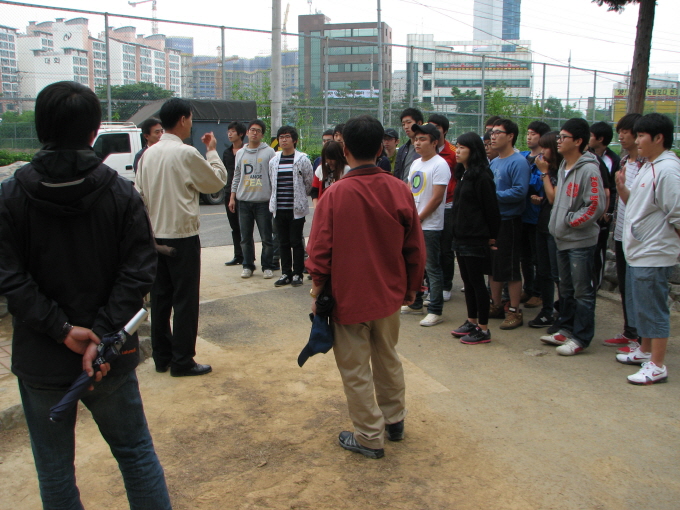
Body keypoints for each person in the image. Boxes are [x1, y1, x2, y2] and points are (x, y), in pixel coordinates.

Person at [0, 81, 171, 508]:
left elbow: (10, 278)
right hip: (108, 356)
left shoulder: (11, 196)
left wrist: (60, 328)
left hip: (41, 358)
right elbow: (139, 271)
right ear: (95, 131)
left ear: (40, 128)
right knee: (135, 454)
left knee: (55, 470)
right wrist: (102, 332)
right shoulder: (120, 193)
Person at [306, 115, 426, 459]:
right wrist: (412, 287)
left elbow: (319, 252)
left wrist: (318, 291)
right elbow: (415, 247)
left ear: (344, 149)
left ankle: (370, 437)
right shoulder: (399, 189)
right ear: (379, 149)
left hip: (348, 298)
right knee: (388, 357)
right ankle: (394, 420)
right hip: (388, 295)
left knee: (355, 368)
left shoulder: (335, 194)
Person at [136, 97, 227, 376]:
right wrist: (212, 151)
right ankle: (182, 360)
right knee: (185, 300)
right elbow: (216, 181)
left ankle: (162, 357)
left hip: (155, 237)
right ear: (184, 119)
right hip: (182, 236)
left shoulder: (148, 154)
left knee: (160, 299)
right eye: (190, 119)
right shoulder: (186, 153)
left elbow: (139, 195)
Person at [615, 113, 680, 384]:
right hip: (640, 251)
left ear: (658, 138)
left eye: (641, 135)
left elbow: (677, 212)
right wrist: (622, 189)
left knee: (653, 309)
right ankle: (644, 350)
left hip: (654, 253)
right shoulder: (649, 166)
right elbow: (639, 205)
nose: (637, 140)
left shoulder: (668, 170)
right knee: (642, 306)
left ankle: (657, 364)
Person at [539, 118, 605, 356]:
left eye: (563, 137)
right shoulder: (564, 167)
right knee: (566, 288)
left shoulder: (589, 169)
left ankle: (581, 337)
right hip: (562, 239)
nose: (559, 141)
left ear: (578, 141)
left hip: (580, 241)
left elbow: (595, 205)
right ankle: (565, 329)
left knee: (582, 291)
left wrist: (569, 221)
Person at [449, 132, 501, 344]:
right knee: (468, 282)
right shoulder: (463, 174)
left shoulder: (482, 176)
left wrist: (492, 237)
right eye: (457, 146)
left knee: (477, 282)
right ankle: (471, 321)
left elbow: (491, 209)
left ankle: (484, 328)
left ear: (474, 151)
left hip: (475, 238)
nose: (458, 151)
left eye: (462, 147)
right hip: (460, 237)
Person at [400, 123, 450, 327]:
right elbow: (409, 190)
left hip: (430, 225)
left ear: (434, 142)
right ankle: (415, 303)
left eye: (422, 139)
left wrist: (420, 217)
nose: (417, 143)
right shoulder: (416, 163)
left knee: (432, 267)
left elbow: (437, 198)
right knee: (414, 264)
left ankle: (436, 310)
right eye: (416, 139)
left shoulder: (440, 164)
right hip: (414, 222)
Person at [603, 113, 644, 350]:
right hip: (621, 233)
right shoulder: (625, 161)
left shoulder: (648, 165)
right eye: (619, 131)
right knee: (625, 284)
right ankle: (630, 331)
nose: (621, 136)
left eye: (625, 132)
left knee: (639, 288)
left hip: (639, 236)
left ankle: (641, 339)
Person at [488, 118, 531, 330]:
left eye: (498, 133)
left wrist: (491, 196)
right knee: (493, 266)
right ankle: (496, 305)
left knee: (511, 268)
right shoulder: (494, 162)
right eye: (492, 133)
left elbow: (520, 192)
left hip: (510, 221)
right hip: (494, 221)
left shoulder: (518, 162)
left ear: (511, 136)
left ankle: (514, 310)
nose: (493, 136)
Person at [229, 120, 277, 279]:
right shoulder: (240, 153)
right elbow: (237, 176)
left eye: (258, 130)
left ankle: (267, 266)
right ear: (247, 133)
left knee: (266, 237)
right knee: (245, 238)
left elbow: (273, 176)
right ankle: (247, 265)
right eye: (252, 130)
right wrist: (232, 197)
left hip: (263, 202)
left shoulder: (269, 152)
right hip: (244, 201)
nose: (254, 133)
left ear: (262, 134)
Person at [268, 126, 313, 288]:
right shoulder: (274, 161)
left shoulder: (302, 160)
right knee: (283, 242)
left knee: (296, 241)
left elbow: (308, 182)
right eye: (281, 137)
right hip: (279, 208)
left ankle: (297, 273)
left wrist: (300, 197)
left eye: (287, 137)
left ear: (294, 140)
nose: (284, 140)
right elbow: (272, 181)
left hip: (296, 210)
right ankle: (286, 273)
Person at [527, 131, 562, 328]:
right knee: (543, 270)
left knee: (556, 274)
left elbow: (553, 197)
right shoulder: (548, 168)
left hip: (555, 227)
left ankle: (561, 312)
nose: (542, 151)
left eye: (546, 147)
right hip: (543, 222)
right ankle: (547, 310)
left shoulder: (558, 169)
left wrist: (544, 173)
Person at [520, 121, 551, 309]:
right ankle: (528, 288)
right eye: (528, 133)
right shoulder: (523, 156)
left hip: (538, 215)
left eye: (533, 134)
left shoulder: (544, 160)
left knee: (538, 257)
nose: (529, 137)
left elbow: (538, 183)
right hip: (523, 213)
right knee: (525, 256)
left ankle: (538, 293)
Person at [428, 114, 458, 302]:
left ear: (444, 131)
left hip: (448, 205)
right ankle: (431, 285)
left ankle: (446, 285)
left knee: (446, 248)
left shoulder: (453, 153)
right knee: (430, 249)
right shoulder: (424, 152)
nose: (433, 130)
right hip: (427, 205)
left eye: (437, 127)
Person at [589, 121, 620, 289]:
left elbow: (613, 189)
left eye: (590, 135)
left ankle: (596, 284)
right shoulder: (586, 156)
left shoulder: (613, 160)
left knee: (598, 249)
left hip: (602, 213)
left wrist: (608, 211)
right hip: (588, 211)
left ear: (600, 139)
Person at [223, 121, 246, 266]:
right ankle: (238, 255)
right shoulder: (226, 152)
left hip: (244, 192)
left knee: (245, 227)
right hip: (229, 192)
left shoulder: (247, 151)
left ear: (241, 134)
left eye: (232, 131)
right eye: (228, 131)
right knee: (234, 226)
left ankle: (248, 257)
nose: (229, 134)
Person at [393, 108, 424, 182]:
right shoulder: (402, 149)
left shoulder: (426, 148)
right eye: (403, 124)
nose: (406, 127)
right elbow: (397, 175)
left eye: (409, 122)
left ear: (419, 123)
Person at [313, 141, 348, 206]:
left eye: (332, 159)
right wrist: (317, 206)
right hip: (324, 207)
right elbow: (314, 191)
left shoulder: (347, 170)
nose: (329, 161)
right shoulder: (320, 169)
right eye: (327, 158)